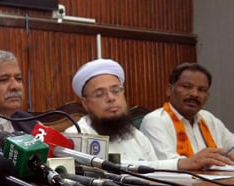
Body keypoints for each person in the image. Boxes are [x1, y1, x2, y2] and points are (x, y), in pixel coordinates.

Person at [65, 58, 225, 171]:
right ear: (85, 104)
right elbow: (109, 170)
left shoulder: (136, 135)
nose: (111, 98)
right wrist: (181, 164)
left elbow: (158, 174)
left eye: (116, 90)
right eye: (100, 94)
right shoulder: (76, 136)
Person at [140, 62, 234, 165]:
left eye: (202, 90)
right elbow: (169, 164)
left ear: (207, 96)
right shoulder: (156, 120)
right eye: (187, 87)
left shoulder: (209, 119)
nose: (195, 94)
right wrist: (195, 161)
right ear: (169, 90)